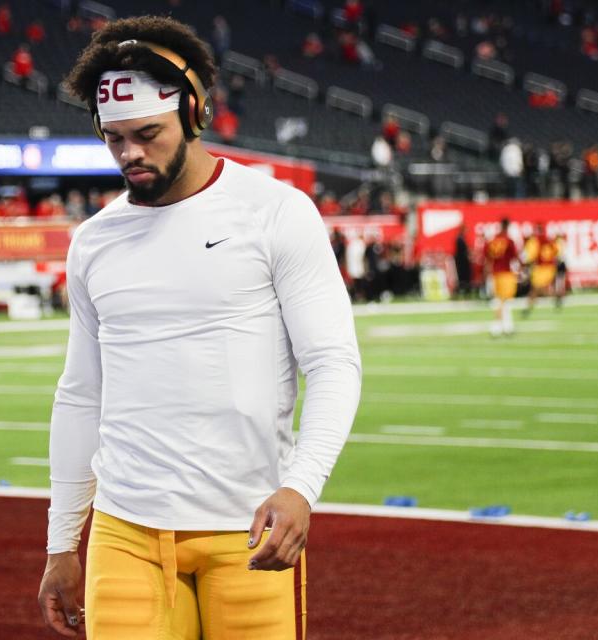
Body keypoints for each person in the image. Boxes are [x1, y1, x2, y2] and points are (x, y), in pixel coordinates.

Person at [37, 16, 361, 639]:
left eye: (147, 133)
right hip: (123, 529)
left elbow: (333, 363)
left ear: (194, 112)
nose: (130, 153)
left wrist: (301, 489)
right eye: (115, 138)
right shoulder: (94, 241)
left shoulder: (275, 213)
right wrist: (60, 544)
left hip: (247, 527)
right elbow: (81, 392)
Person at [484, 218, 520, 337]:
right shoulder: (508, 241)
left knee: (500, 300)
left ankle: (505, 326)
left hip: (495, 273)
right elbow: (515, 257)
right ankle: (500, 326)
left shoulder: (492, 240)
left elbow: (487, 257)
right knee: (505, 301)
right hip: (506, 273)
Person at [521, 223, 559, 316]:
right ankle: (528, 308)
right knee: (537, 289)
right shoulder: (549, 240)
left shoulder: (535, 241)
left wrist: (525, 265)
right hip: (550, 268)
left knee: (537, 289)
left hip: (541, 269)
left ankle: (556, 297)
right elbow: (556, 252)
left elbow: (529, 257)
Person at [454, 225, 473, 298]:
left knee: (466, 276)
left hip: (464, 261)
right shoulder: (459, 239)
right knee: (462, 276)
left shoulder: (462, 239)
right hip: (462, 262)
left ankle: (465, 290)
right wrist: (468, 254)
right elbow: (462, 251)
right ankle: (462, 290)